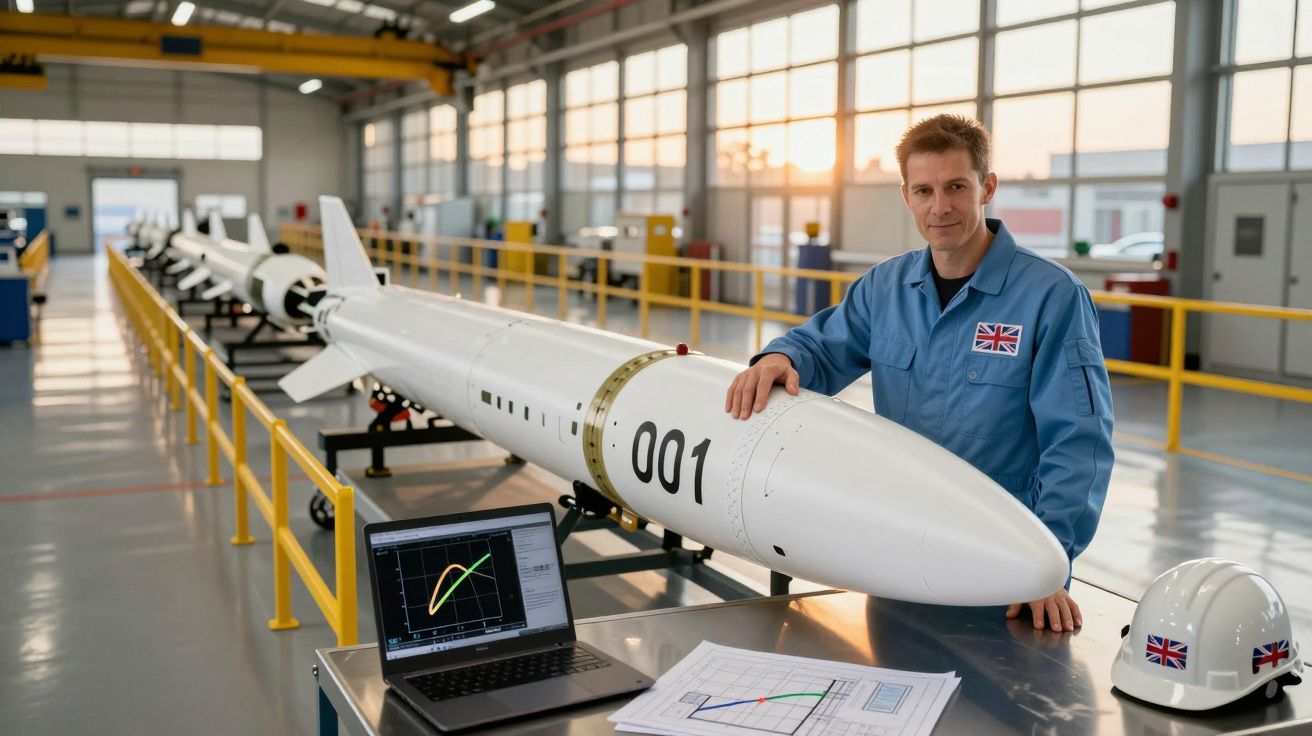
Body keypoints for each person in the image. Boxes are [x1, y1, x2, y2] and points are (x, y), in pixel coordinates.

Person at [724, 114, 1114, 632]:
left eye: (957, 186)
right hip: (900, 548)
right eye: (925, 190)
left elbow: (1079, 443)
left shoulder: (1050, 298)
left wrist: (1047, 563)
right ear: (906, 196)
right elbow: (823, 346)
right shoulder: (887, 288)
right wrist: (781, 358)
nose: (941, 206)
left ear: (987, 188)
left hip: (999, 560)